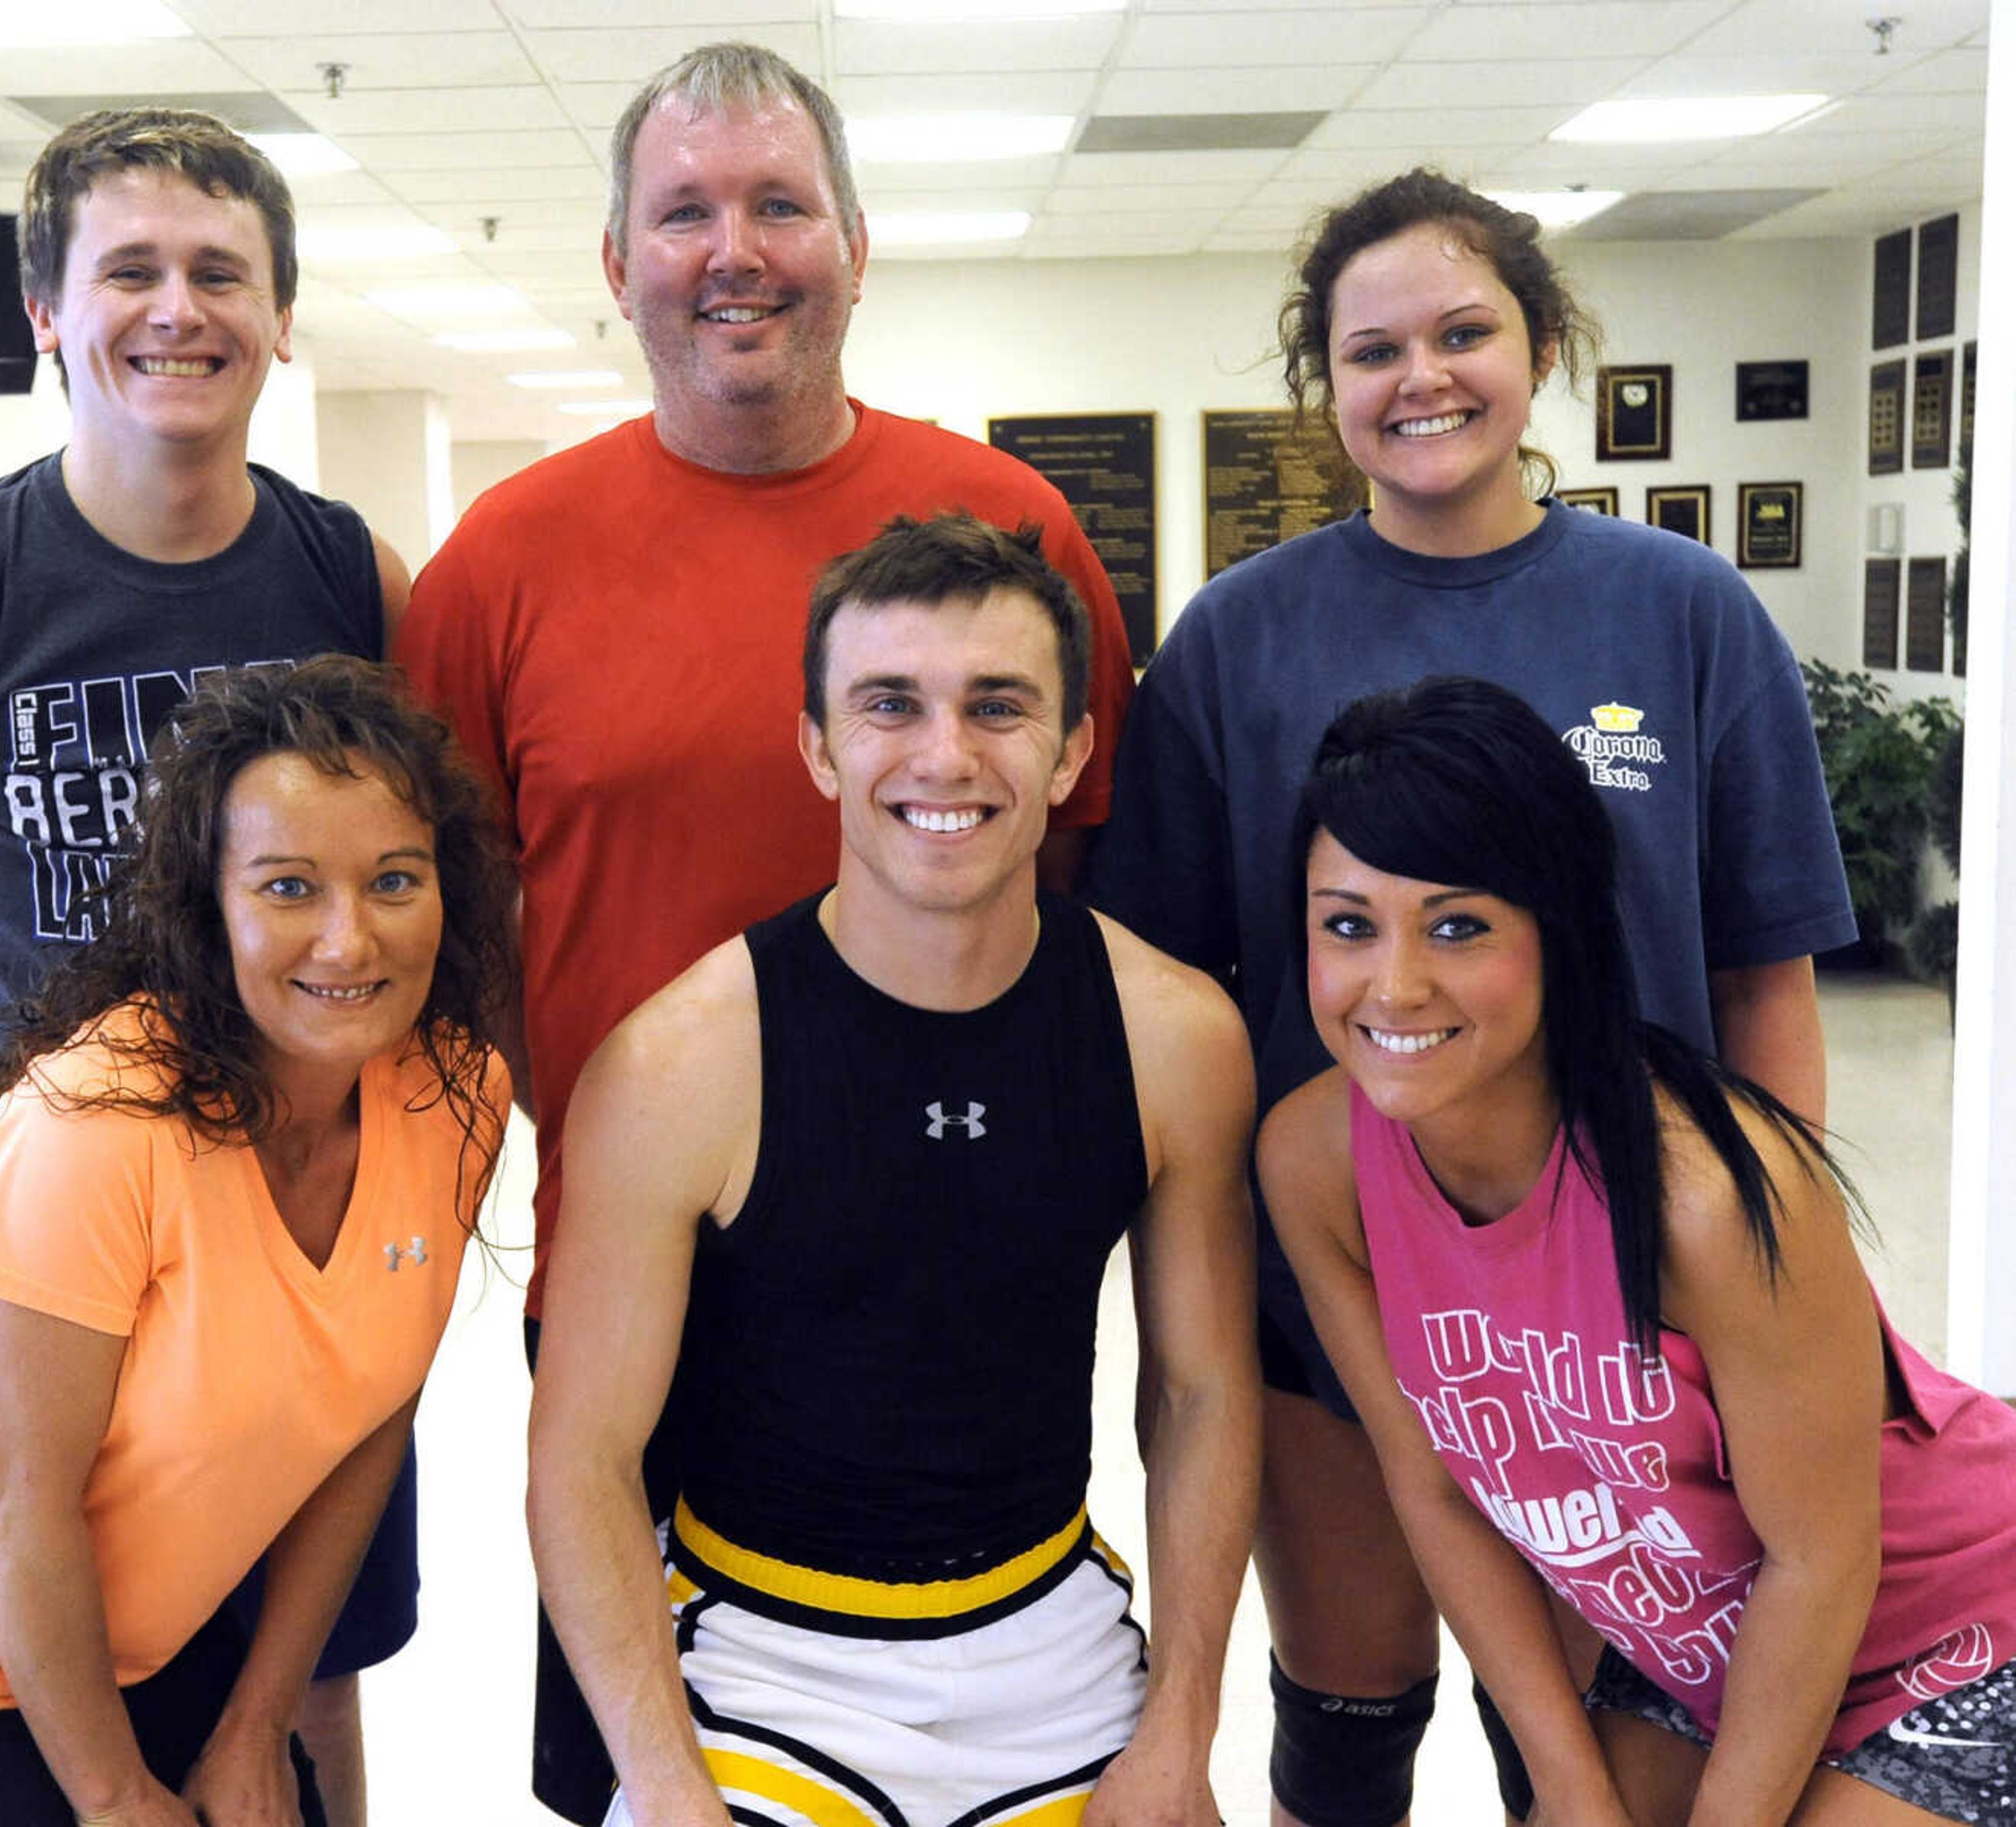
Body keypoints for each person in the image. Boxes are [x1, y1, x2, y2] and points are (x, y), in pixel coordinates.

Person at [393, 40, 1136, 1823]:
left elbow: (1086, 873)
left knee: (975, 1732)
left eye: (781, 205)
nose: (736, 249)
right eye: (686, 212)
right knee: (651, 1775)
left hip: (957, 1275)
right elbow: (435, 913)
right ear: (619, 261)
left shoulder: (1006, 525)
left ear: (857, 245)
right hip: (636, 1284)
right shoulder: (503, 560)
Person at [1082, 167, 1856, 1827]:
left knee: (1589, 1751)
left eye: (1463, 332)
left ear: (1544, 347)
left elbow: (1760, 968)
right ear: (1325, 384)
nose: (1420, 378)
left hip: (1627, 1315)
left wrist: (1780, 1277)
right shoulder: (1236, 640)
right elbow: (1164, 991)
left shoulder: (1689, 612)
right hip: (1339, 1287)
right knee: (1346, 1728)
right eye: (1373, 350)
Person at [0, 106, 413, 1816]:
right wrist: (38, 1141)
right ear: (48, 315)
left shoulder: (347, 570)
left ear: (283, 317)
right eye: (128, 269)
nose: (178, 308)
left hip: (300, 1239)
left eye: (222, 272)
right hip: (65, 1267)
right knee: (51, 1650)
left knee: (303, 1676)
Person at [527, 513, 1258, 1827]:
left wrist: (1184, 1731)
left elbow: (1203, 1390)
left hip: (1051, 1636)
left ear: (1075, 745)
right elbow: (582, 1453)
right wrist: (664, 1786)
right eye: (888, 705)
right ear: (817, 745)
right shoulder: (679, 1063)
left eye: (998, 706)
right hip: (762, 1652)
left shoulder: (1177, 1036)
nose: (945, 755)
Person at [0, 657, 513, 1827]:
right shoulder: (95, 1122)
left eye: (393, 880)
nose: (350, 942)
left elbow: (373, 1420)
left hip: (138, 1654)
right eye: (289, 887)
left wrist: (259, 1719)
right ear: (208, 904)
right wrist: (111, 1801)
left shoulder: (454, 1093)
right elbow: (15, 1508)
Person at [1258, 675, 2016, 1827]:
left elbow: (1820, 1563)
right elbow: (1439, 1492)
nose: (1395, 985)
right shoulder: (1314, 1162)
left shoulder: (1708, 1196)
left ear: (1555, 932)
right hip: (1701, 1658)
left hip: (1960, 1624)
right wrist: (1564, 1785)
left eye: (1459, 926)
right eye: (1348, 925)